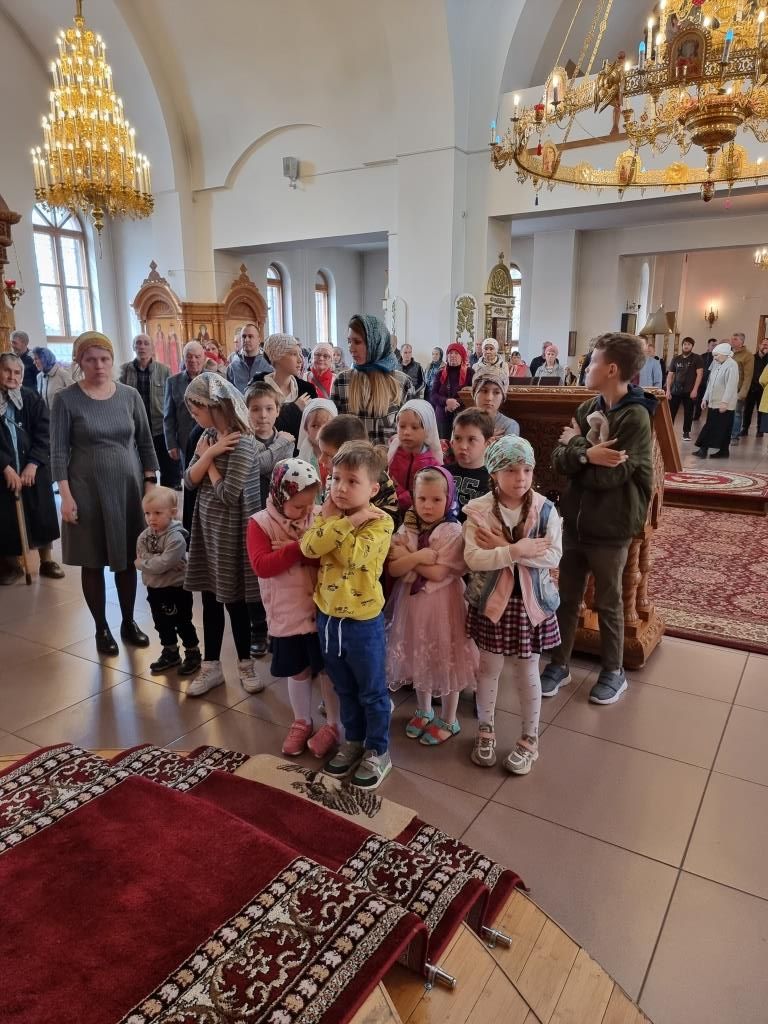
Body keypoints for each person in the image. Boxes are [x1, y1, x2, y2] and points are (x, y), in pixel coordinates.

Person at [541, 332, 655, 706]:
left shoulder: (635, 417)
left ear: (611, 369)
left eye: (592, 362)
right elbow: (558, 462)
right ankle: (559, 664)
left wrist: (576, 448)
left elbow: (610, 478)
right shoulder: (587, 407)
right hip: (577, 521)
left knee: (608, 601)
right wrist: (587, 453)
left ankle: (613, 671)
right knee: (567, 598)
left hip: (611, 525)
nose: (587, 367)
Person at [50, 331, 158, 654]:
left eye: (104, 359)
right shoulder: (66, 399)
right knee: (93, 558)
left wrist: (150, 484)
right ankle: (101, 628)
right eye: (91, 359)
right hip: (86, 490)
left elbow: (145, 442)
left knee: (127, 558)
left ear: (112, 360)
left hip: (128, 488)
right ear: (79, 362)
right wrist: (66, 496)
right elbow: (58, 452)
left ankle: (129, 621)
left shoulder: (129, 396)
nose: (98, 365)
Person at [463, 436, 561, 774]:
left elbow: (553, 555)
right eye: (511, 470)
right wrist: (516, 550)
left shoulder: (545, 509)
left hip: (529, 605)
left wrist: (503, 548)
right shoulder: (478, 509)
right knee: (488, 669)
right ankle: (485, 730)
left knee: (527, 671)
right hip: (493, 603)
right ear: (494, 473)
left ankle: (529, 739)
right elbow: (473, 558)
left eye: (527, 469)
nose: (521, 477)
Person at [300, 440, 395, 789]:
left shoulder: (381, 522)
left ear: (373, 489)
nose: (340, 488)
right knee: (343, 688)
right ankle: (354, 741)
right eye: (336, 478)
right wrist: (347, 519)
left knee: (371, 691)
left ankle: (378, 750)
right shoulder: (332, 514)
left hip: (362, 623)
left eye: (352, 481)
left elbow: (352, 557)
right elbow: (309, 547)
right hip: (328, 619)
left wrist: (337, 523)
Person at [247, 458, 342, 758]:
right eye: (299, 506)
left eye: (310, 503)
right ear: (280, 495)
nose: (306, 511)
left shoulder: (319, 515)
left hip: (322, 610)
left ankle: (334, 725)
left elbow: (330, 556)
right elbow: (263, 566)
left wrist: (295, 549)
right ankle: (302, 721)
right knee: (298, 671)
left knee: (327, 671)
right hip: (287, 612)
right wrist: (302, 548)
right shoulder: (260, 523)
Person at [182, 373, 262, 696]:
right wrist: (208, 454)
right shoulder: (208, 437)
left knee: (235, 602)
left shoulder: (244, 442)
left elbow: (229, 494)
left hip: (233, 533)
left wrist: (209, 461)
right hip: (207, 530)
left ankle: (246, 665)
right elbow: (189, 481)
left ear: (214, 406)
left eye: (196, 410)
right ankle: (211, 666)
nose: (194, 417)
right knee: (209, 599)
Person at [387, 466, 478, 745]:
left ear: (449, 499)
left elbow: (439, 574)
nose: (427, 506)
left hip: (444, 605)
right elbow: (394, 569)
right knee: (419, 654)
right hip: (413, 604)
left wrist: (409, 557)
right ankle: (424, 710)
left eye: (436, 499)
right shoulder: (409, 527)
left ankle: (449, 718)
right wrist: (419, 557)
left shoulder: (452, 530)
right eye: (422, 498)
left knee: (445, 658)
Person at [0, 353, 63, 585]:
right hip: (5, 470)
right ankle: (12, 564)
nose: (12, 376)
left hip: (33, 468)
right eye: (6, 371)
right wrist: (5, 466)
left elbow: (44, 433)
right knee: (6, 517)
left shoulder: (30, 398)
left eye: (17, 372)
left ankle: (47, 561)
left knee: (41, 512)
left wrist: (33, 463)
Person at [135, 486, 200, 676]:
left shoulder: (177, 538)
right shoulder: (145, 536)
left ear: (172, 513)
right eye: (147, 513)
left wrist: (144, 563)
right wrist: (158, 561)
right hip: (155, 589)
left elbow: (160, 563)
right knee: (161, 623)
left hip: (176, 589)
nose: (151, 518)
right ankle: (170, 651)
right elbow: (146, 556)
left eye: (157, 513)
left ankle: (193, 652)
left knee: (182, 622)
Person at [331, 315, 414, 445]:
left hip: (389, 458)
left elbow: (411, 435)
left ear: (376, 343)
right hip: (352, 458)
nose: (351, 348)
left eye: (357, 342)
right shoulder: (342, 381)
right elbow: (335, 433)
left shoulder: (402, 383)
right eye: (349, 341)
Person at [120, 334, 180, 489]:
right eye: (138, 343)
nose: (142, 346)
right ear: (133, 347)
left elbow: (171, 401)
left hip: (159, 428)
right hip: (134, 428)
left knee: (168, 471)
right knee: (140, 470)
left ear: (152, 348)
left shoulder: (164, 370)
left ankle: (167, 498)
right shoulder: (125, 370)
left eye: (146, 343)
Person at [317, 415, 400, 525]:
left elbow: (392, 518)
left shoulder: (377, 478)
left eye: (329, 455)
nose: (320, 459)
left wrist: (353, 520)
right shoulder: (332, 476)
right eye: (337, 479)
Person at [253, 334, 317, 445]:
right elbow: (260, 428)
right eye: (293, 354)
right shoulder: (258, 389)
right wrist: (294, 409)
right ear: (277, 357)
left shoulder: (307, 389)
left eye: (300, 354)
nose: (300, 360)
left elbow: (314, 426)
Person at [387, 398, 443, 511]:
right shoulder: (392, 454)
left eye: (414, 427)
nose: (406, 432)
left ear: (427, 430)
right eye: (402, 426)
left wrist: (400, 497)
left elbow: (426, 495)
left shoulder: (432, 464)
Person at [444, 408, 494, 520]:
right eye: (458, 438)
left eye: (471, 439)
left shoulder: (493, 480)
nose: (463, 446)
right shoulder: (442, 473)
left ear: (488, 443)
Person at [164, 341, 207, 469]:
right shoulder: (172, 382)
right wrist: (171, 444)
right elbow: (169, 416)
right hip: (185, 441)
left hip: (210, 437)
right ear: (184, 358)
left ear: (203, 358)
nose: (193, 360)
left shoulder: (213, 378)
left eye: (197, 356)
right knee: (189, 474)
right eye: (189, 356)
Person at [693, 342, 739, 459]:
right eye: (714, 356)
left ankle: (704, 449)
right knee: (715, 426)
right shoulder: (716, 363)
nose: (714, 358)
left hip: (724, 404)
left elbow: (731, 385)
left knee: (718, 427)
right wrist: (705, 398)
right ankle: (722, 451)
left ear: (725, 354)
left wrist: (725, 402)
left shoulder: (732, 365)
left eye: (716, 355)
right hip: (714, 402)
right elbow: (710, 383)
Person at [430, 342, 473, 440]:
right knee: (443, 444)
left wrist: (454, 403)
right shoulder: (440, 373)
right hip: (442, 414)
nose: (452, 355)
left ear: (462, 356)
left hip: (463, 416)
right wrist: (446, 402)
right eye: (450, 353)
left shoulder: (470, 372)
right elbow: (433, 395)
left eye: (456, 353)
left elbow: (472, 395)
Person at [666, 336, 704, 441]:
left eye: (689, 344)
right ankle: (669, 432)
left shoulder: (697, 358)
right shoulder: (676, 359)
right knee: (671, 412)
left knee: (688, 412)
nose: (686, 346)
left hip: (689, 391)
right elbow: (670, 375)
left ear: (692, 346)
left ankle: (686, 433)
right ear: (682, 345)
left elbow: (700, 374)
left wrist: (695, 390)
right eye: (685, 344)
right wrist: (668, 390)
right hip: (675, 390)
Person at [472, 368, 520, 437]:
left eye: (496, 392)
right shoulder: (462, 421)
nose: (489, 398)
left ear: (502, 397)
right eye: (484, 391)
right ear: (475, 393)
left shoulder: (509, 425)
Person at [226, 322, 271, 393]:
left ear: (259, 340)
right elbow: (229, 392)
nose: (246, 340)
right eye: (244, 336)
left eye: (250, 336)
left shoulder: (268, 363)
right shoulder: (232, 366)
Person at [297, 397, 337, 473]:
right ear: (306, 429)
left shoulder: (343, 456)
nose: (321, 431)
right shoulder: (301, 460)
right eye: (315, 426)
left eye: (327, 425)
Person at [741, 338, 768, 438]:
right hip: (751, 388)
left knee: (761, 411)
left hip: (763, 389)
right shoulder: (752, 357)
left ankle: (760, 430)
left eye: (767, 345)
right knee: (747, 410)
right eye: (764, 344)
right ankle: (745, 428)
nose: (765, 346)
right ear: (759, 345)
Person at [730, 332, 754, 444]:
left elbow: (748, 376)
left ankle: (734, 436)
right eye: (732, 339)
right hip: (727, 388)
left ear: (741, 341)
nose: (732, 341)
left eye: (735, 339)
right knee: (725, 413)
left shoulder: (748, 355)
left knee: (737, 413)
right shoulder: (729, 353)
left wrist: (742, 393)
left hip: (738, 389)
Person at [693, 338, 718, 421]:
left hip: (712, 382)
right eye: (713, 345)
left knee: (711, 401)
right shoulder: (702, 356)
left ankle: (710, 419)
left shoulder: (718, 356)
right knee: (699, 400)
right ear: (708, 345)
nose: (714, 347)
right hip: (702, 381)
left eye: (716, 345)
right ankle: (696, 415)